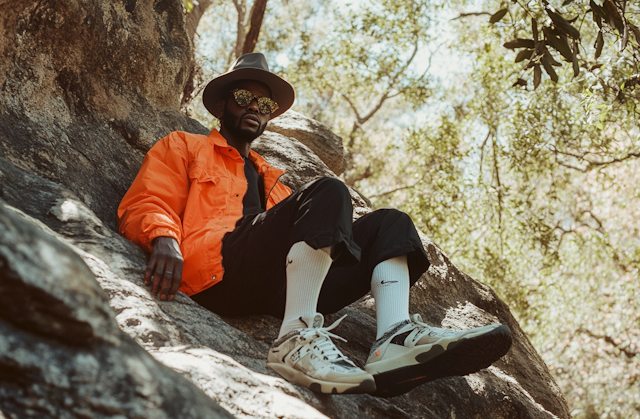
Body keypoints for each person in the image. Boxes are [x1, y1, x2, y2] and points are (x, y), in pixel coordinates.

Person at [117, 53, 512, 396]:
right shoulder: (184, 146)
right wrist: (165, 239)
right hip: (215, 273)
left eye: (264, 103)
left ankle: (394, 337)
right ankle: (295, 338)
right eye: (243, 98)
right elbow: (147, 200)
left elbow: (307, 244)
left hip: (273, 289)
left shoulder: (277, 186)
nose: (255, 107)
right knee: (329, 191)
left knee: (391, 224)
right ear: (221, 106)